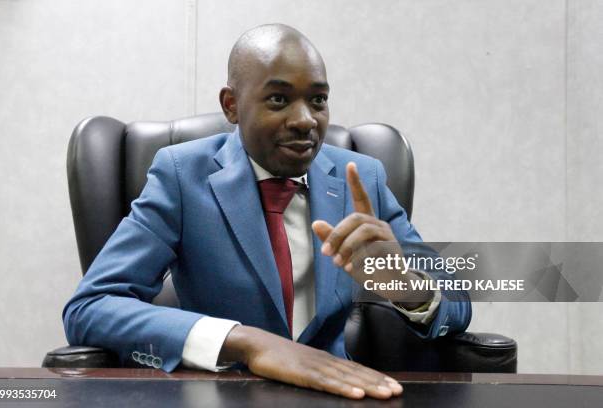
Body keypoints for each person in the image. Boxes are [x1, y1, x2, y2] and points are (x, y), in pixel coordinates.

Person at [63, 24, 471, 400]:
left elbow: (457, 301)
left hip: (336, 394)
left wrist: (406, 286)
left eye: (318, 100)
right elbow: (91, 306)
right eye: (279, 99)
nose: (305, 120)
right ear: (231, 106)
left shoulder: (360, 177)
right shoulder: (182, 176)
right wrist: (249, 342)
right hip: (218, 394)